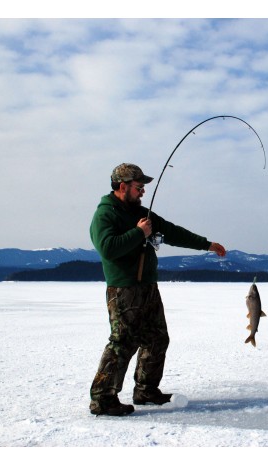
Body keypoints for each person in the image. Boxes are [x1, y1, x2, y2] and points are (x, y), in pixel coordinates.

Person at [89, 163, 226, 416]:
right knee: (122, 343)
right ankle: (102, 399)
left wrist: (206, 244)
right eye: (138, 187)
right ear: (123, 187)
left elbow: (172, 232)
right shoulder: (105, 215)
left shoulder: (142, 212)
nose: (142, 191)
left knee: (157, 338)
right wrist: (139, 233)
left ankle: (146, 390)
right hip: (124, 290)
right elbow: (108, 248)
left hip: (148, 287)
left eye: (143, 187)